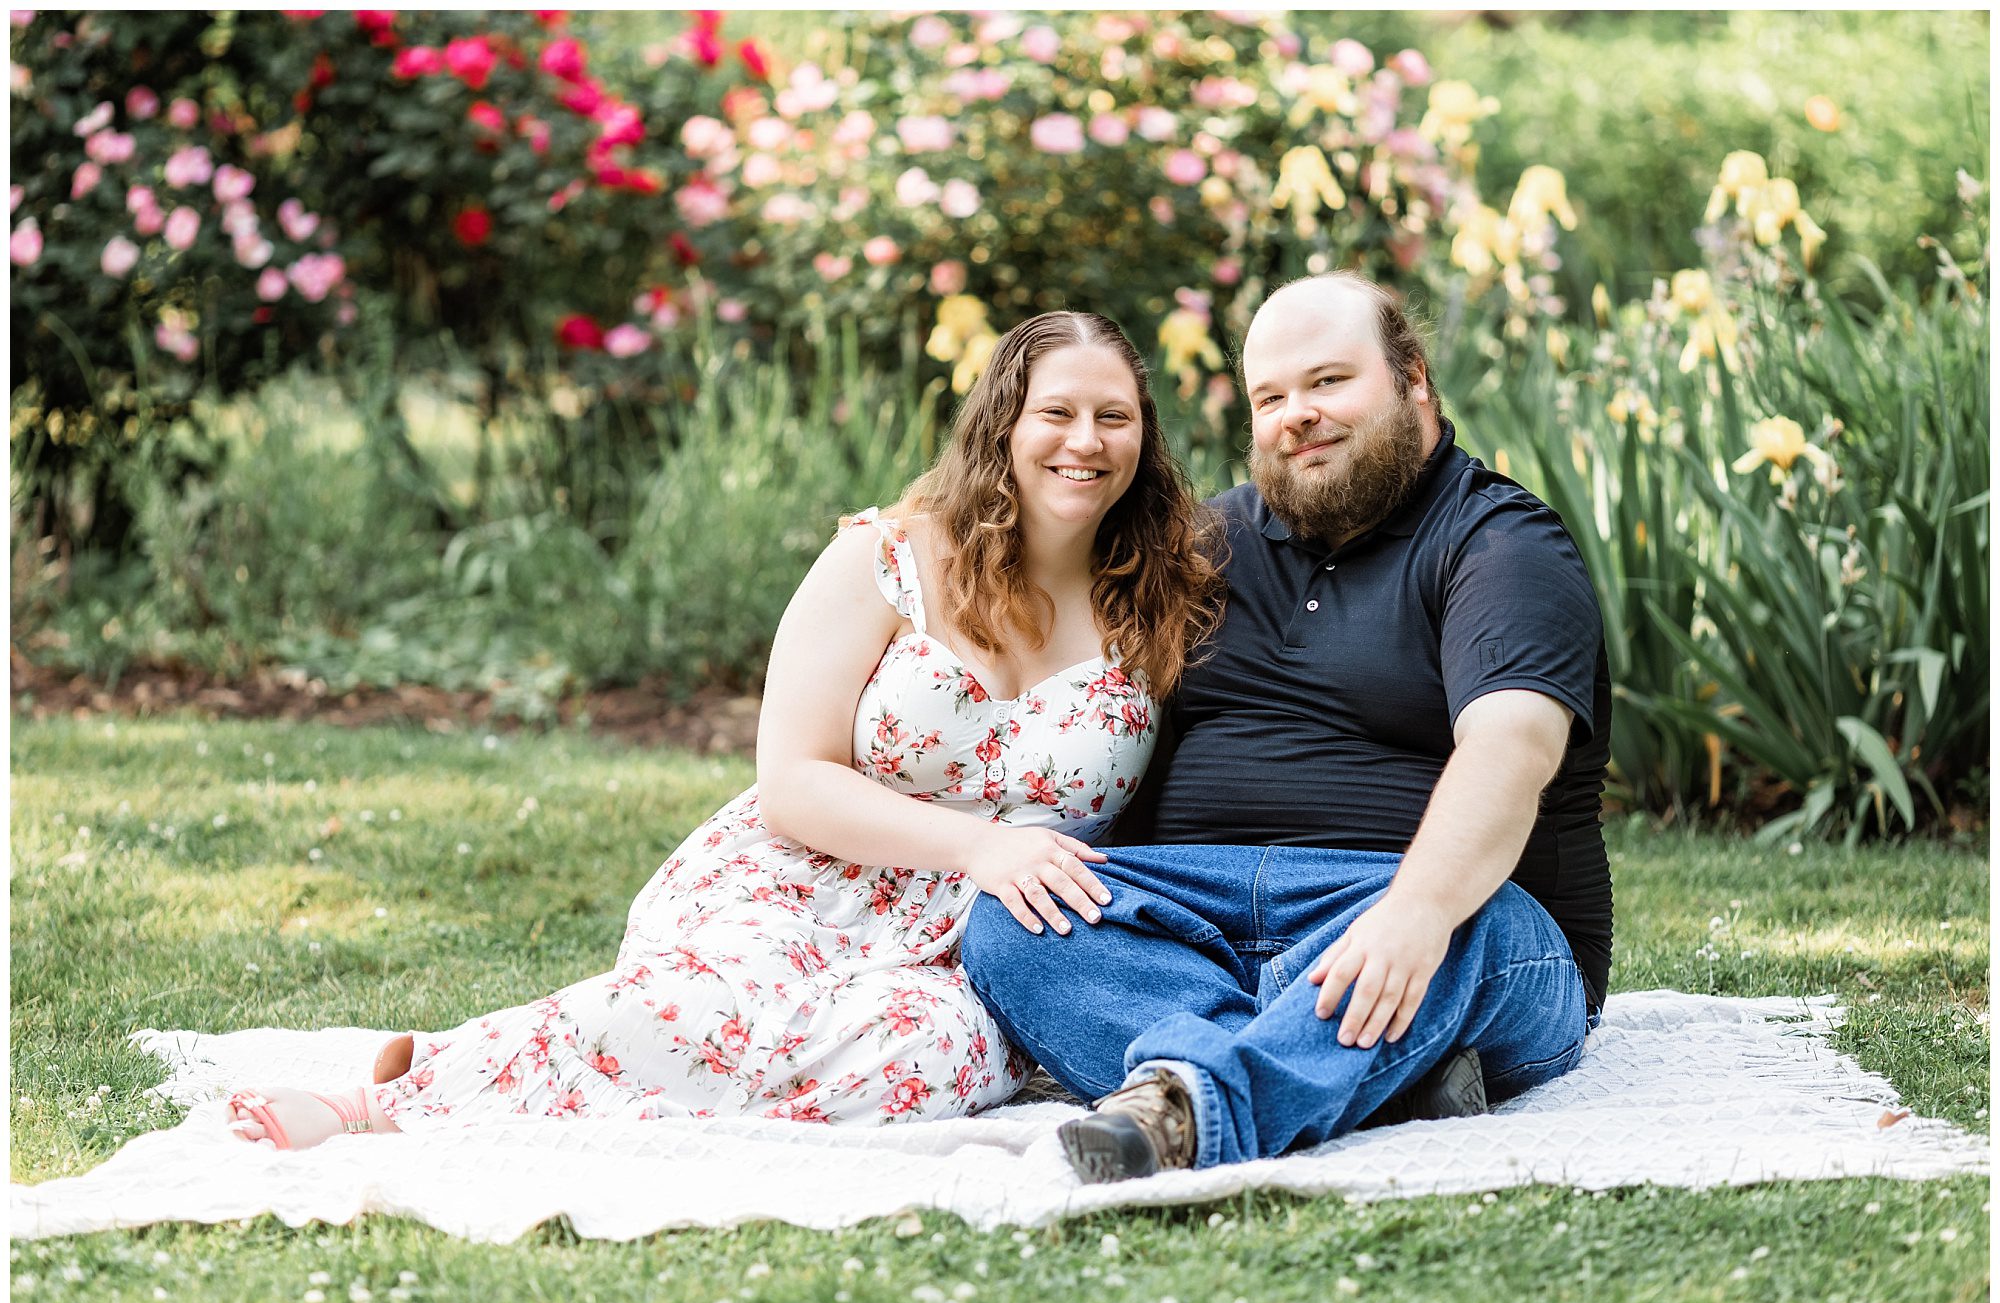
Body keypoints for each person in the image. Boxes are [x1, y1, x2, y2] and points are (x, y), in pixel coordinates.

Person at [224, 311, 1224, 1149]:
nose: (1085, 440)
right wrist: (979, 846)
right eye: (1056, 411)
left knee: (919, 1062)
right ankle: (401, 1096)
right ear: (1002, 422)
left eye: (1114, 417)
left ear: (1144, 437)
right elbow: (792, 779)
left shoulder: (1161, 602)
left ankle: (585, 1086)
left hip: (982, 943)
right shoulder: (886, 558)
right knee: (714, 1005)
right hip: (807, 874)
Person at [960, 272, 1614, 1183]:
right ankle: (1366, 1070)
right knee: (1014, 917)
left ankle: (1187, 1108)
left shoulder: (1501, 543)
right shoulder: (1206, 544)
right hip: (1200, 909)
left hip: (1413, 903)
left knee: (1475, 926)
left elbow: (1512, 748)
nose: (1297, 415)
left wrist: (1417, 911)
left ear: (1414, 379)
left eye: (1329, 382)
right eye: (1270, 397)